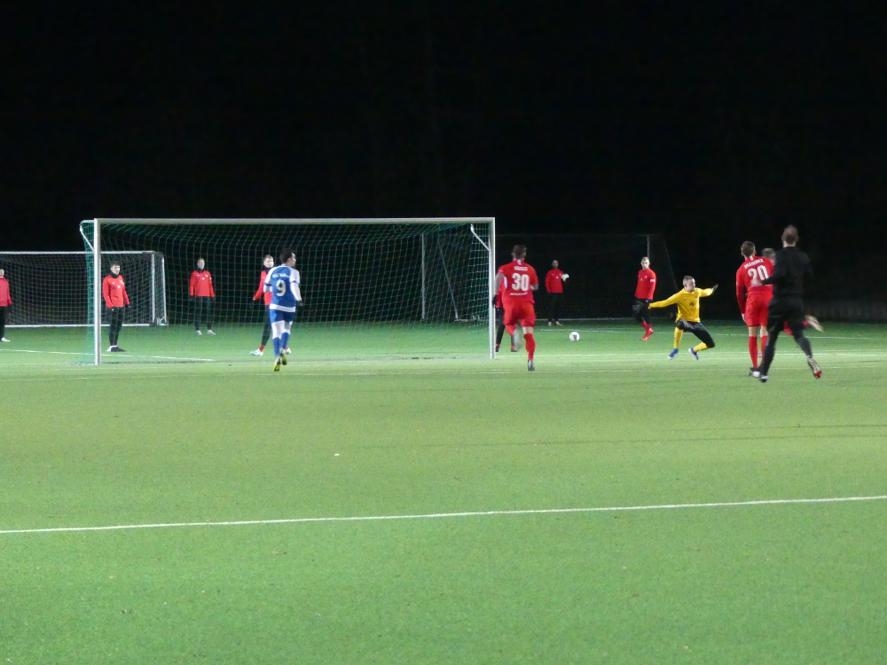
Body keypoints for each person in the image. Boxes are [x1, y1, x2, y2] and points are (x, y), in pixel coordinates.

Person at [753, 225, 821, 382]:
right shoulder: (803, 257)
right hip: (796, 301)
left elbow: (779, 275)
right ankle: (809, 356)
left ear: (782, 239)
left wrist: (762, 282)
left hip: (779, 302)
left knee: (772, 339)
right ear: (796, 239)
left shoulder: (780, 256)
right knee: (799, 335)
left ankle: (764, 373)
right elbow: (810, 276)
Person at [649, 275, 718, 360]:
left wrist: (712, 290)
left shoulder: (697, 291)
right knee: (680, 324)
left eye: (694, 283)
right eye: (691, 284)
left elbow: (706, 292)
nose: (694, 285)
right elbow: (665, 302)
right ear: (685, 285)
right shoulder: (679, 295)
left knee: (711, 344)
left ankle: (693, 350)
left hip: (696, 322)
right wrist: (650, 305)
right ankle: (675, 349)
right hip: (685, 321)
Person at [496, 244, 540, 371]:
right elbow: (535, 286)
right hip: (527, 305)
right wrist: (526, 287)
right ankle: (530, 360)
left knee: (507, 323)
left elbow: (497, 279)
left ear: (513, 254)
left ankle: (514, 332)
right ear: (524, 255)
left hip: (511, 304)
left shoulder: (506, 268)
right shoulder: (530, 269)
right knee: (529, 335)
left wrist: (494, 294)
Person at [735, 241, 774, 374]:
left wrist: (742, 311)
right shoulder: (765, 261)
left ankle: (756, 368)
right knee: (764, 331)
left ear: (742, 254)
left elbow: (739, 294)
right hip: (768, 298)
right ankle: (764, 367)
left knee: (752, 334)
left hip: (753, 300)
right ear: (754, 251)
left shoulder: (741, 270)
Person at [264, 248, 302, 372]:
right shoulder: (294, 272)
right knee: (286, 328)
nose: (295, 260)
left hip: (275, 305)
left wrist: (275, 291)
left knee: (276, 332)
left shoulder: (272, 270)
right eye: (294, 258)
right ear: (289, 259)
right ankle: (283, 348)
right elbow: (294, 286)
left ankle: (277, 357)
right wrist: (299, 299)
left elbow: (265, 289)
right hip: (289, 306)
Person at [251, 255, 278, 356]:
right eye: (268, 261)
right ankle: (284, 347)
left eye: (271, 261)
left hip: (277, 302)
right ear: (264, 263)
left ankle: (261, 350)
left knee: (270, 325)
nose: (270, 262)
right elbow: (261, 288)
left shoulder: (276, 272)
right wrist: (255, 298)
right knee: (270, 326)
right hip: (267, 303)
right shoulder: (263, 273)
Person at [101, 261, 130, 352]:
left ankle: (115, 345)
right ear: (111, 269)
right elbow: (105, 294)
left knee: (118, 326)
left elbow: (123, 291)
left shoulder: (120, 278)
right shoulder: (107, 279)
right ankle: (111, 346)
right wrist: (111, 306)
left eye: (118, 267)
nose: (117, 269)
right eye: (115, 268)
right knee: (113, 326)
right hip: (112, 307)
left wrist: (127, 303)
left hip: (121, 306)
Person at [189, 257, 216, 335]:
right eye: (200, 263)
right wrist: (191, 294)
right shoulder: (194, 273)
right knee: (199, 311)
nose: (202, 264)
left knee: (208, 312)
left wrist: (212, 295)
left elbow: (210, 285)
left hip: (207, 296)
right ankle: (197, 329)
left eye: (203, 263)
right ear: (197, 264)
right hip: (198, 296)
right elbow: (191, 285)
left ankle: (209, 329)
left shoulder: (207, 273)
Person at [633, 256, 657, 341]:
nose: (644, 264)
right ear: (641, 263)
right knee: (636, 314)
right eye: (643, 263)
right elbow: (639, 284)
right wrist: (636, 294)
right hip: (638, 297)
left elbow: (652, 287)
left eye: (646, 263)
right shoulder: (640, 272)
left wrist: (648, 298)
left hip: (647, 298)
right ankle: (648, 329)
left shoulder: (651, 274)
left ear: (649, 263)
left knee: (646, 315)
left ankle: (648, 332)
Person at [493, 278, 518, 353]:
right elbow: (499, 292)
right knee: (502, 325)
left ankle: (513, 346)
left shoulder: (513, 281)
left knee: (512, 325)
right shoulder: (502, 281)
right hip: (503, 306)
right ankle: (497, 345)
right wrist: (498, 305)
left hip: (512, 306)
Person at [544, 259, 568, 326]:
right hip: (553, 292)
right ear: (552, 264)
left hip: (560, 292)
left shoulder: (560, 272)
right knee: (551, 307)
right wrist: (548, 290)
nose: (555, 264)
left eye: (556, 263)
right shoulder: (550, 272)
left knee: (559, 306)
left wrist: (566, 278)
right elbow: (547, 282)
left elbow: (564, 281)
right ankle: (549, 321)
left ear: (558, 264)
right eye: (554, 263)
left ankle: (557, 320)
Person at [0, 268, 11, 342]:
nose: (1, 273)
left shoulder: (6, 281)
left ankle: (2, 337)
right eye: (0, 272)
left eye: (2, 272)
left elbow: (7, 293)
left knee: (2, 321)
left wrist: (9, 303)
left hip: (4, 305)